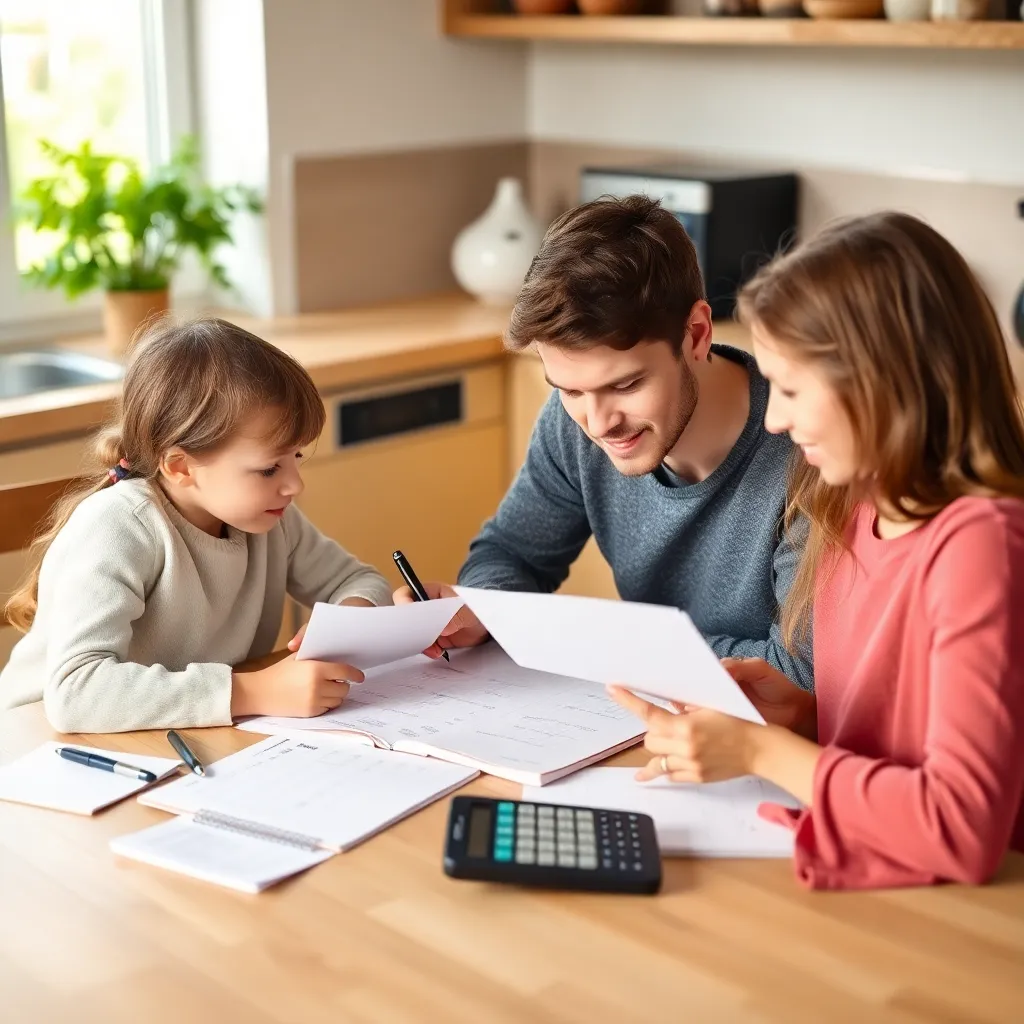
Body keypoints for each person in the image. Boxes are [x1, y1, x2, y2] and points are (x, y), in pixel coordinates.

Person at [611, 211, 1024, 890]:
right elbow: (893, 737)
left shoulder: (980, 546)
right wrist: (801, 711)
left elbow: (962, 827)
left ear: (884, 383)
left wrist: (757, 748)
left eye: (794, 391)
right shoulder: (848, 507)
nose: (773, 420)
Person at [398, 195, 812, 689]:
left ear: (696, 334)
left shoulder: (810, 452)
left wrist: (610, 642)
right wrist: (485, 609)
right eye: (570, 389)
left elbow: (798, 674)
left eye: (626, 385)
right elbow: (510, 554)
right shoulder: (572, 425)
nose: (598, 424)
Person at [0, 317, 391, 733]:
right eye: (268, 469)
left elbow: (358, 580)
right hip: (38, 746)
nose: (294, 484)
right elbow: (77, 693)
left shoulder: (269, 519)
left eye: (295, 458)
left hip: (177, 734)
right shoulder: (119, 529)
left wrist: (347, 622)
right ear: (181, 466)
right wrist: (253, 692)